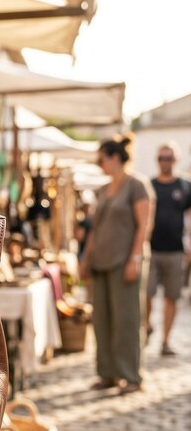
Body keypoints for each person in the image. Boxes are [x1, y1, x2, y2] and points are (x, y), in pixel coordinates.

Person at [80, 137, 152, 394]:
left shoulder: (137, 186)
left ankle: (131, 375)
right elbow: (94, 230)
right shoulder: (102, 190)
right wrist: (85, 258)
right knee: (101, 320)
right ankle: (107, 373)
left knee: (127, 320)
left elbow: (143, 225)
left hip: (124, 262)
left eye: (102, 159)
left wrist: (135, 258)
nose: (100, 164)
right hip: (100, 262)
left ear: (115, 157)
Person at [146, 143, 191, 356]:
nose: (166, 162)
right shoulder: (150, 185)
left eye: (169, 158)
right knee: (146, 293)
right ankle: (147, 325)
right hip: (151, 249)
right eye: (162, 158)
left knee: (171, 297)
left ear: (176, 159)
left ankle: (165, 341)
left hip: (175, 250)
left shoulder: (185, 186)